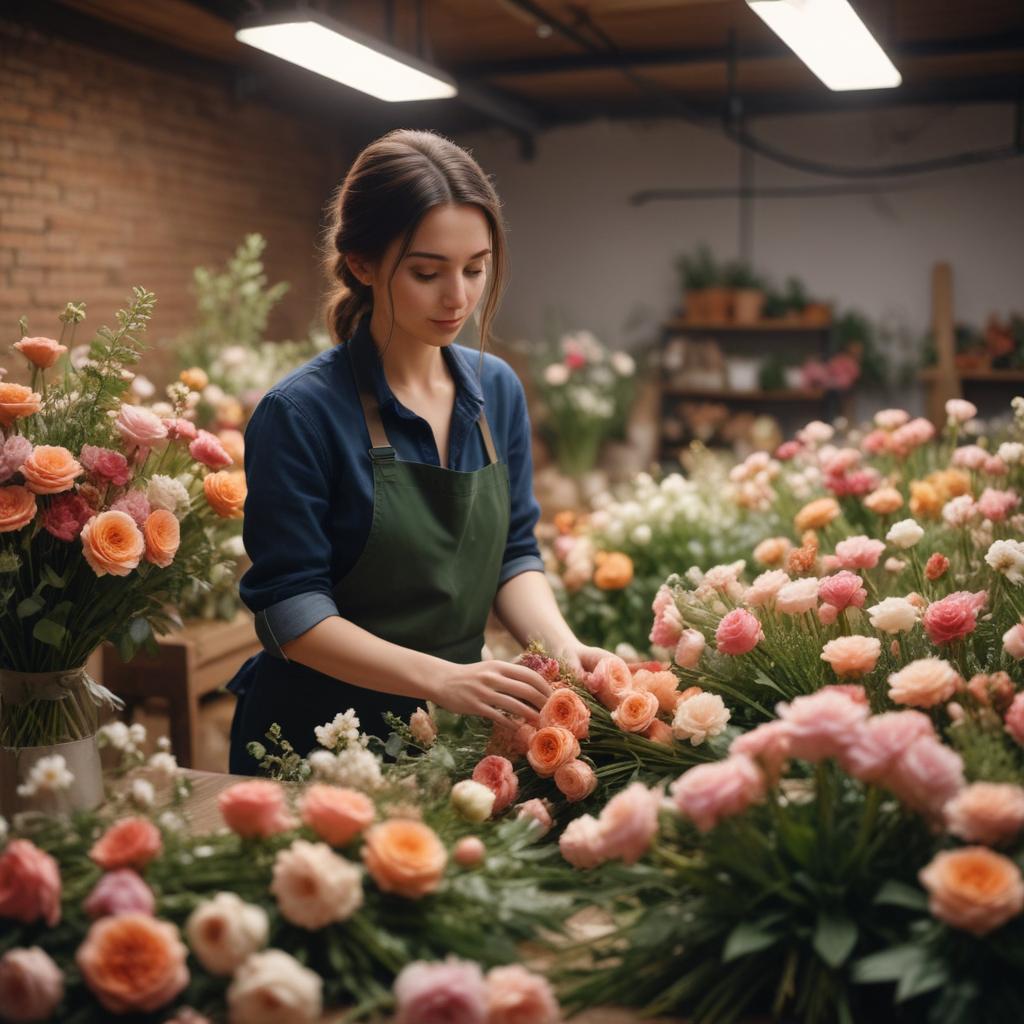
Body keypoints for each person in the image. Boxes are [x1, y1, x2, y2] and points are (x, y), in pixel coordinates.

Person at [227, 129, 610, 775]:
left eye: (475, 268)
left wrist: (566, 649)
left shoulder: (497, 392)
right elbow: (290, 612)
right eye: (428, 272)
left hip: (450, 735)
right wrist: (439, 678)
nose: (458, 297)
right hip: (315, 744)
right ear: (362, 263)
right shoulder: (301, 414)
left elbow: (514, 552)